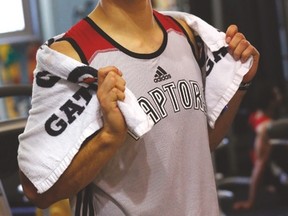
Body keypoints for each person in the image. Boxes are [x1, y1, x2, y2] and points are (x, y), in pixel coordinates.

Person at [18, 0, 259, 215]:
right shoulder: (70, 57)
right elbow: (36, 190)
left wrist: (241, 82)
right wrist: (109, 138)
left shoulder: (185, 32)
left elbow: (197, 146)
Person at [233, 82, 284, 210]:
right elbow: (259, 165)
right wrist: (250, 202)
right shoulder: (266, 127)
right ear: (271, 100)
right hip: (270, 175)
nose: (280, 96)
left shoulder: (255, 116)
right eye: (277, 94)